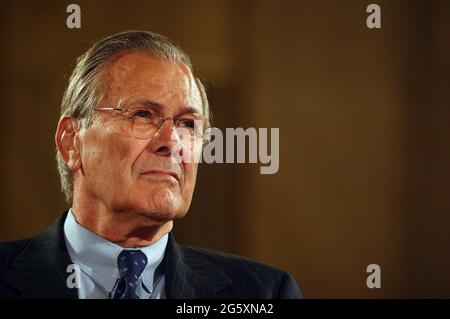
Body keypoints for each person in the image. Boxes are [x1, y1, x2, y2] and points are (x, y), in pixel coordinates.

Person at [0, 31, 302, 299]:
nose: (171, 142)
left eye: (187, 124)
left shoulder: (264, 293)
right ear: (72, 141)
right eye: (143, 114)